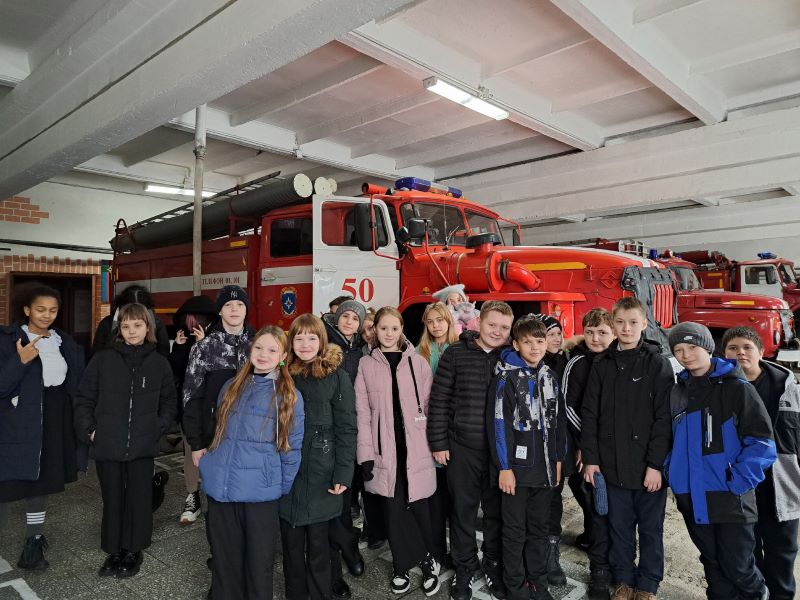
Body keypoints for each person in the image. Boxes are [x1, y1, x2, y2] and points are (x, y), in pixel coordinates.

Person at [666, 323, 776, 600]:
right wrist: (673, 473)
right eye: (678, 350)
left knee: (739, 567)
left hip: (729, 495)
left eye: (692, 347)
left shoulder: (737, 389)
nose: (686, 355)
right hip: (690, 493)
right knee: (712, 564)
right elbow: (669, 439)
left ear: (707, 347)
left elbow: (762, 443)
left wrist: (738, 481)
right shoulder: (678, 391)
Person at [200, 326, 304, 600]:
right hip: (222, 491)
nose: (263, 354)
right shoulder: (231, 385)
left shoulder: (288, 396)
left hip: (260, 495)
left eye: (272, 349)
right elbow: (219, 432)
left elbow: (291, 448)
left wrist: (278, 485)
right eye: (259, 347)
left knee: (259, 565)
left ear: (283, 355)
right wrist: (209, 465)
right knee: (225, 561)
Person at [73, 303, 177, 578]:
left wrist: (158, 426)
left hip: (143, 447)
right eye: (127, 326)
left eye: (138, 325)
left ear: (148, 328)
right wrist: (91, 430)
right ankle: (114, 549)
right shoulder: (103, 360)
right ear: (119, 329)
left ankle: (133, 549)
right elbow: (83, 398)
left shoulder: (159, 363)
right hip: (108, 443)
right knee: (113, 497)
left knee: (139, 499)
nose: (132, 331)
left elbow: (169, 401)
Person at [582, 297, 673, 600]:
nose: (627, 328)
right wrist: (592, 461)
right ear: (612, 324)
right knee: (619, 528)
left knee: (649, 530)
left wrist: (656, 465)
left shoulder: (656, 363)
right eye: (620, 322)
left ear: (644, 324)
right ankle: (624, 580)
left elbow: (664, 419)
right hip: (611, 466)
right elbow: (590, 415)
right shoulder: (602, 364)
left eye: (633, 322)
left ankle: (647, 585)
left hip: (648, 469)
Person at [428, 300, 514, 600]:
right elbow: (438, 401)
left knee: (496, 513)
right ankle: (464, 567)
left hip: (499, 454)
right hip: (462, 448)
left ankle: (492, 564)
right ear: (479, 322)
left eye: (504, 328)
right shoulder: (456, 354)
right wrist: (439, 443)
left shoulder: (510, 358)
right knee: (462, 512)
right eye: (492, 325)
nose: (497, 332)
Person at [0, 282, 85, 570]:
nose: (47, 315)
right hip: (16, 423)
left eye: (52, 310)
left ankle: (33, 545)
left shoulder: (65, 342)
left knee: (41, 483)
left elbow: (76, 383)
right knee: (7, 483)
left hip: (53, 419)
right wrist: (20, 361)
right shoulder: (6, 339)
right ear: (26, 309)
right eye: (40, 309)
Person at [356, 307, 440, 596]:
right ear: (374, 331)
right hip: (385, 451)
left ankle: (429, 560)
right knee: (393, 510)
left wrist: (436, 445)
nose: (389, 334)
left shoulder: (419, 363)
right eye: (383, 328)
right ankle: (401, 565)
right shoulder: (366, 366)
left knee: (419, 507)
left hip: (416, 449)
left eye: (394, 328)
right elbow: (362, 413)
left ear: (401, 329)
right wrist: (365, 454)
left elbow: (430, 407)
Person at [280, 314, 359, 600]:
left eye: (311, 337)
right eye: (298, 338)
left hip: (323, 471)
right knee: (290, 548)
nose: (305, 344)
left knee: (319, 547)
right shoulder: (282, 374)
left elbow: (347, 428)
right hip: (288, 471)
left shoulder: (336, 376)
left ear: (322, 341)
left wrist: (343, 473)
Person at [489, 317, 566, 600]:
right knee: (513, 532)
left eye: (540, 341)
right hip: (517, 473)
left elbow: (558, 424)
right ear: (516, 344)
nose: (535, 347)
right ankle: (516, 586)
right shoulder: (505, 378)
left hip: (545, 471)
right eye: (528, 342)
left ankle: (537, 582)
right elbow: (498, 424)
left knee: (538, 530)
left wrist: (558, 460)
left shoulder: (550, 376)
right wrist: (505, 468)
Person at [723, 326, 798, 600]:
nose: (740, 353)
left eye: (746, 347)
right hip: (741, 491)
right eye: (732, 348)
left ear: (761, 352)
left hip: (782, 489)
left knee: (782, 557)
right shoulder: (721, 391)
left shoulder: (789, 391)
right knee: (746, 556)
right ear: (725, 355)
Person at [323, 298, 384, 585]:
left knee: (349, 492)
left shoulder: (361, 353)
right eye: (345, 316)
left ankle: (347, 544)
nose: (349, 321)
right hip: (329, 431)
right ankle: (343, 550)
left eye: (354, 318)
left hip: (356, 431)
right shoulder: (325, 346)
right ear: (337, 318)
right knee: (338, 495)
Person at [182, 285, 254, 525]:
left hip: (251, 437)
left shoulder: (259, 345)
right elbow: (191, 398)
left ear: (247, 310)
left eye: (240, 304)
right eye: (228, 305)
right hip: (216, 436)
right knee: (220, 500)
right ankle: (222, 554)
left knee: (247, 498)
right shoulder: (204, 348)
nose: (235, 309)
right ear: (220, 311)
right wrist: (196, 442)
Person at [562, 308, 616, 597]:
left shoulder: (620, 360)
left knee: (612, 508)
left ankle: (615, 560)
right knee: (595, 502)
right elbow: (569, 405)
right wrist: (587, 443)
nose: (596, 338)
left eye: (603, 332)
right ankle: (599, 569)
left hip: (618, 450)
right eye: (591, 332)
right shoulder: (579, 363)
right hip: (587, 449)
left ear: (614, 333)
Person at [417, 302, 459, 567]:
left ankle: (457, 551)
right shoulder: (421, 352)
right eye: (430, 321)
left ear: (449, 321)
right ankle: (435, 549)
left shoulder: (459, 348)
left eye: (439, 320)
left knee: (455, 496)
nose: (435, 326)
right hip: (429, 427)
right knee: (434, 497)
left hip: (455, 428)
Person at [169, 295, 218, 523]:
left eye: (196, 321)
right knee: (191, 453)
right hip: (190, 409)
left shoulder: (218, 339)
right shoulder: (184, 341)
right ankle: (192, 495)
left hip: (215, 408)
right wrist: (180, 348)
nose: (192, 326)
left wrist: (203, 345)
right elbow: (177, 373)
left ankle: (216, 498)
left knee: (215, 453)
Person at [530, 313, 568, 586]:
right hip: (531, 448)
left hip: (558, 445)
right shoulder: (528, 365)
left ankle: (550, 555)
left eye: (557, 333)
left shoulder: (568, 363)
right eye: (548, 334)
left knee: (554, 499)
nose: (554, 339)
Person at [92, 284, 170, 358]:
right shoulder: (107, 323)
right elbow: (97, 354)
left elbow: (163, 354)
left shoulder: (156, 323)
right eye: (130, 310)